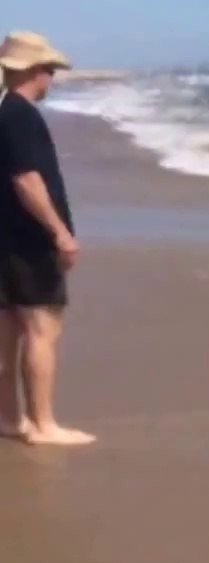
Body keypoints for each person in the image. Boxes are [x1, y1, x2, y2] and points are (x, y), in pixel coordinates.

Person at [0, 31, 94, 445]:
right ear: (34, 71)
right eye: (50, 71)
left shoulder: (4, 111)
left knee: (7, 332)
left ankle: (8, 419)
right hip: (28, 241)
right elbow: (27, 180)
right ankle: (42, 424)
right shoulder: (21, 115)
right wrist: (60, 233)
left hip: (5, 238)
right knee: (41, 328)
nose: (51, 79)